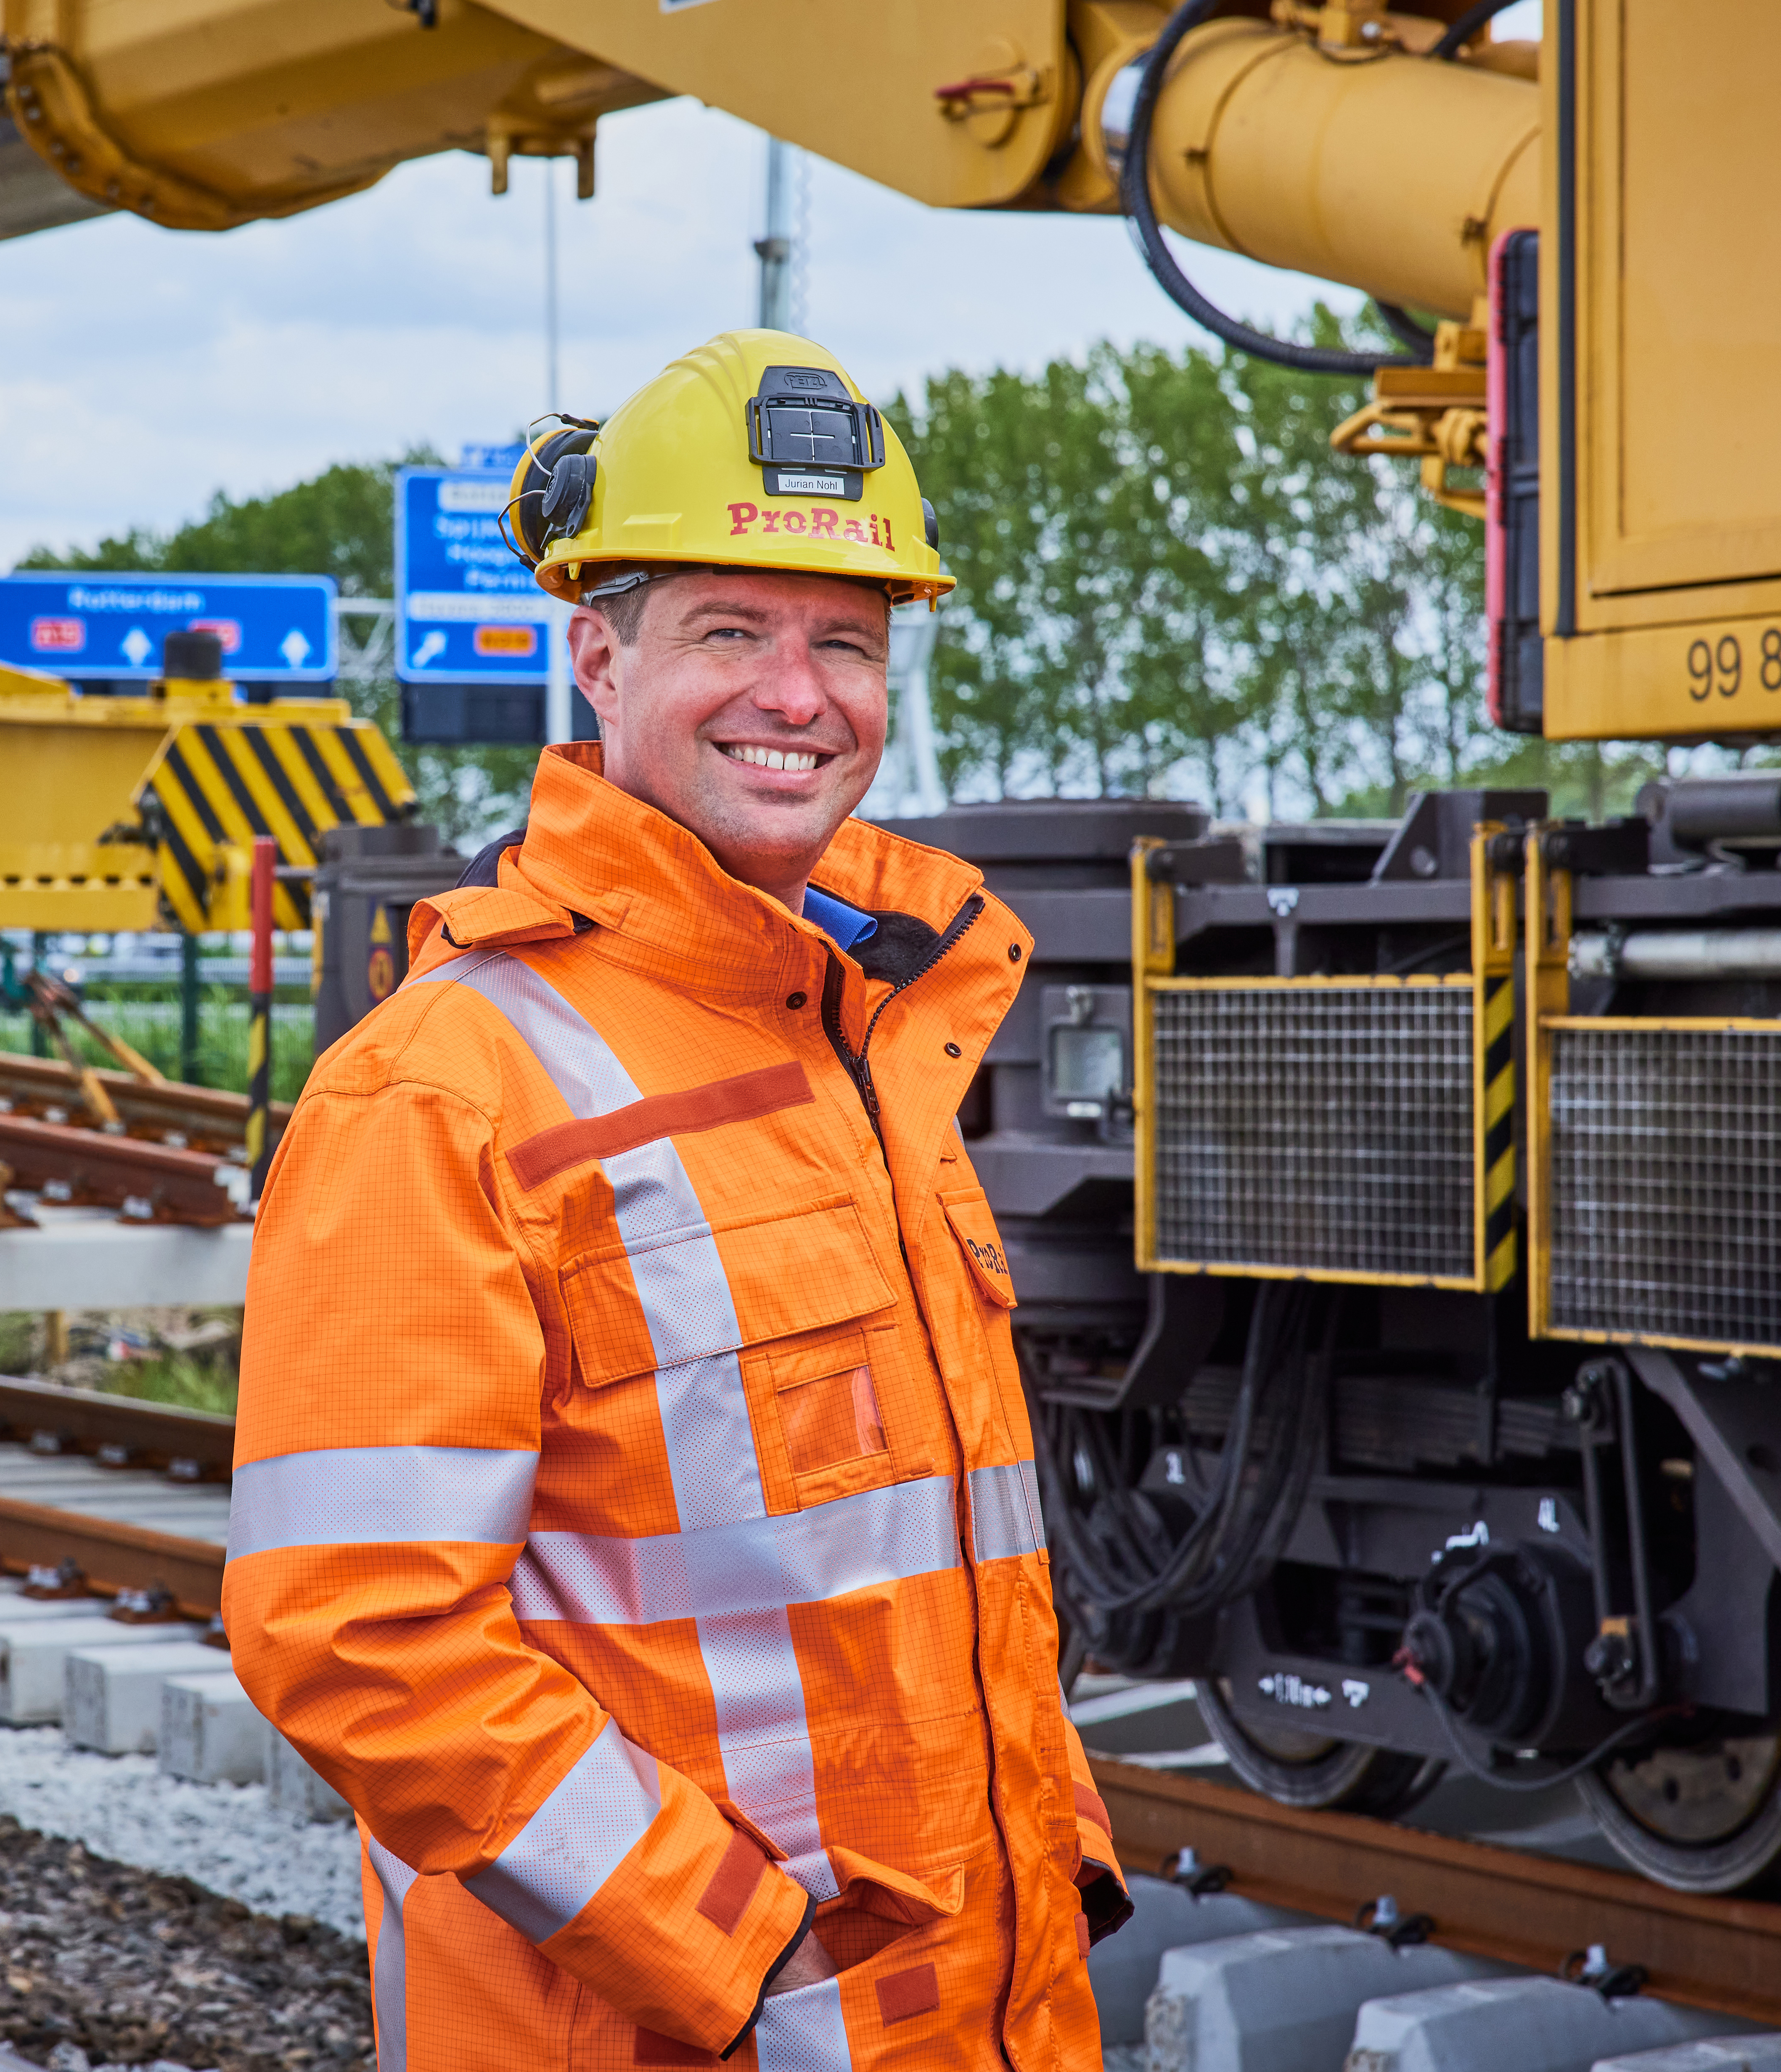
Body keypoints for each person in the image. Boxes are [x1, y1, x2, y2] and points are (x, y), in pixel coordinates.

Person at [225, 329, 1128, 2069]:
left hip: (974, 2015)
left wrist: (1046, 1845)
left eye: (844, 643)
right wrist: (750, 1960)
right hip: (680, 2031)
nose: (798, 694)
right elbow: (357, 1635)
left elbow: (913, 1565)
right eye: (730, 631)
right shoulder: (440, 1087)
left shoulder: (870, 1041)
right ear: (598, 655)